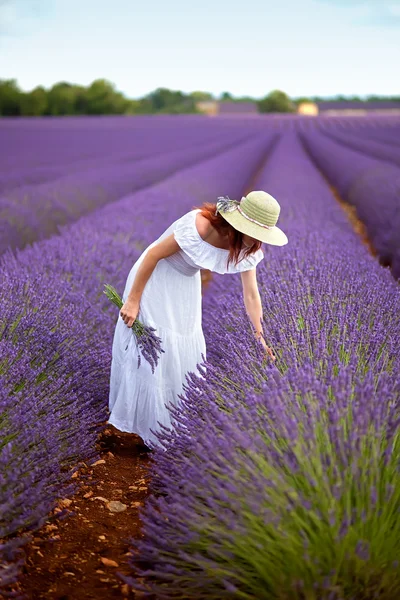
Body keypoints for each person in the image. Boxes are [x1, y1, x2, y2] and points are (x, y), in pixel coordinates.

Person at [107, 190, 288, 449]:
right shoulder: (200, 226)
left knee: (182, 350)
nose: (259, 240)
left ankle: (167, 426)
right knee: (149, 350)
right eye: (255, 232)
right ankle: (134, 427)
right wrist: (133, 301)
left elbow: (251, 294)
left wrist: (259, 336)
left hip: (184, 285)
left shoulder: (249, 247)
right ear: (239, 224)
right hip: (154, 278)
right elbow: (154, 255)